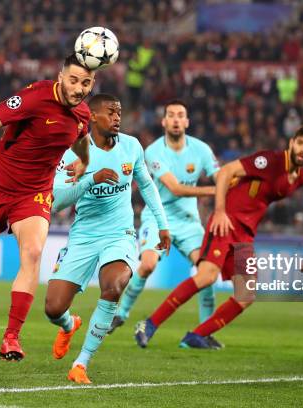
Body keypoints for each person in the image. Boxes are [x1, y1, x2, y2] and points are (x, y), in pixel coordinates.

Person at [0, 53, 94, 360]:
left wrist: (84, 161)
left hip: (33, 193)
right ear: (61, 78)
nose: (79, 88)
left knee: (33, 253)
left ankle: (11, 338)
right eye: (73, 80)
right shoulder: (34, 97)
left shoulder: (82, 113)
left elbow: (81, 136)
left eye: (85, 83)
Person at [135, 125, 303, 349]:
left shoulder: (301, 178)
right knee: (206, 277)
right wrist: (220, 211)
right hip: (226, 222)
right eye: (300, 143)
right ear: (291, 143)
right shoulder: (269, 160)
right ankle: (149, 324)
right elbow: (225, 172)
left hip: (245, 233)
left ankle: (196, 336)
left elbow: (260, 196)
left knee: (246, 295)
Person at [45, 94, 170, 384]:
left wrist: (163, 225)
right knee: (53, 308)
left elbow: (148, 187)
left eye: (119, 112)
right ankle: (68, 325)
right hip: (84, 236)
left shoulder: (131, 146)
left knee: (113, 286)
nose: (117, 118)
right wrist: (91, 178)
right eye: (110, 113)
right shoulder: (75, 153)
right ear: (92, 117)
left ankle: (81, 364)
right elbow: (56, 201)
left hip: (120, 233)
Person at [109, 100, 220, 347]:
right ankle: (121, 313)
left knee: (207, 273)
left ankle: (203, 332)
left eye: (181, 115)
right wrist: (217, 190)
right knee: (147, 264)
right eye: (171, 115)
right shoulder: (153, 152)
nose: (176, 120)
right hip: (158, 218)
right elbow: (176, 188)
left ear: (187, 122)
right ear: (164, 121)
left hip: (190, 222)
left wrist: (229, 182)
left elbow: (220, 176)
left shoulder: (201, 149)